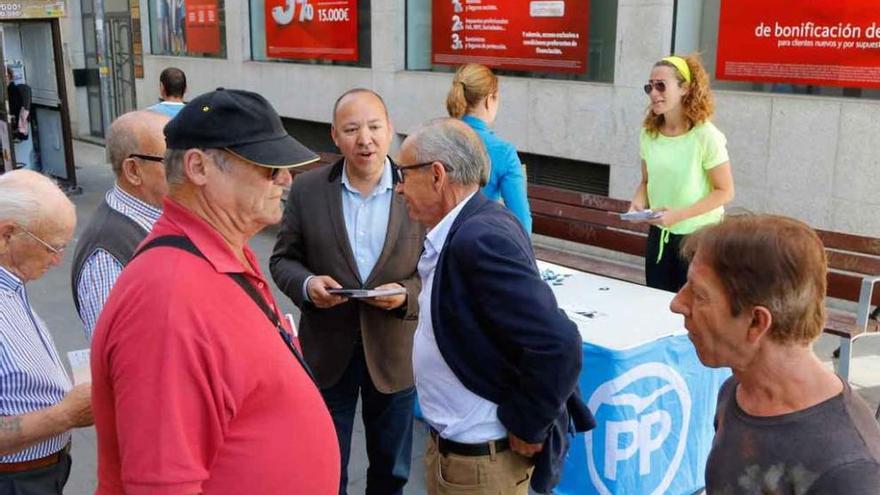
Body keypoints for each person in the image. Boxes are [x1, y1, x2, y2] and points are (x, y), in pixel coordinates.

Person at [91, 88, 340, 494]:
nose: (285, 178)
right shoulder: (167, 298)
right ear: (198, 167)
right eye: (268, 167)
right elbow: (162, 486)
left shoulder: (222, 252)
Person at [395, 118, 594, 495]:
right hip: (455, 453)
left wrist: (527, 424)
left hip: (481, 465)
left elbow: (559, 343)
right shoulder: (468, 226)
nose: (399, 188)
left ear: (437, 175)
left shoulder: (479, 237)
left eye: (403, 174)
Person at [270, 88, 424, 495]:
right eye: (352, 129)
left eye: (374, 127)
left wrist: (407, 295)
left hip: (394, 355)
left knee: (391, 470)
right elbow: (282, 259)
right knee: (324, 463)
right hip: (327, 350)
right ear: (334, 136)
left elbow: (437, 271)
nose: (365, 139)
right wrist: (308, 284)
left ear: (391, 130)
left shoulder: (419, 188)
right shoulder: (308, 190)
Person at [670, 214, 880, 494]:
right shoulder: (736, 391)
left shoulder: (850, 472)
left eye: (699, 295)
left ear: (757, 322)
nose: (677, 304)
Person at [0, 170, 92, 494]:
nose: (58, 260)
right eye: (52, 247)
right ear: (7, 234)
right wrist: (64, 414)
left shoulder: (12, 281)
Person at [628, 54, 734, 292]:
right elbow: (646, 180)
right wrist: (638, 201)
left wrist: (680, 214)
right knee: (656, 306)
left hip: (699, 240)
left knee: (695, 313)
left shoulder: (706, 135)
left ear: (685, 88)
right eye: (650, 87)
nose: (654, 93)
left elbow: (725, 191)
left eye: (661, 86)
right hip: (660, 237)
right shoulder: (649, 134)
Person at [70, 110, 170, 341]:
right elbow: (118, 358)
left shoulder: (158, 218)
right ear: (133, 171)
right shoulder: (108, 254)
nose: (185, 171)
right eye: (171, 161)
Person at [446, 63, 532, 233]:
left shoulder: (437, 137)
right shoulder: (503, 152)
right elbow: (522, 224)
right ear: (489, 99)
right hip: (479, 244)